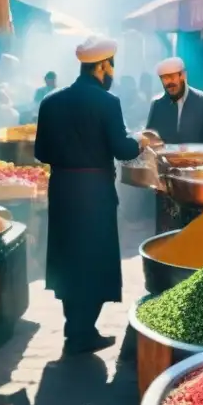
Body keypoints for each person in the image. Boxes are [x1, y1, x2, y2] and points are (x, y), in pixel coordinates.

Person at [35, 35, 148, 355]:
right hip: (95, 192)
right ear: (101, 66)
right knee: (94, 258)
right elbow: (122, 149)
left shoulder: (50, 100)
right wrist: (141, 140)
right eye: (110, 66)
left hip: (62, 191)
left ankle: (75, 325)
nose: (111, 72)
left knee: (69, 257)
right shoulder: (107, 103)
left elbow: (41, 151)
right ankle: (84, 331)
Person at [145, 57, 203, 144]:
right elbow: (149, 141)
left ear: (183, 75)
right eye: (164, 78)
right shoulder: (157, 105)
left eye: (171, 77)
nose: (169, 82)